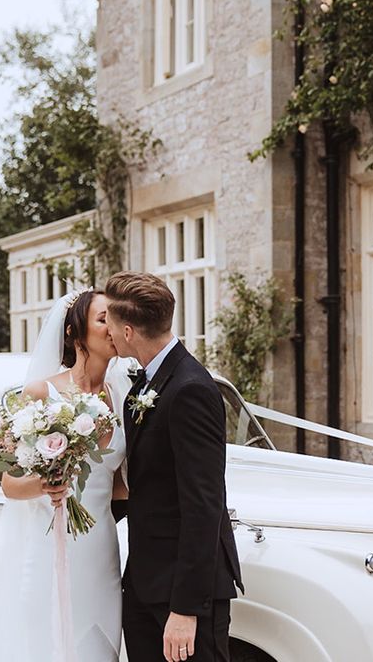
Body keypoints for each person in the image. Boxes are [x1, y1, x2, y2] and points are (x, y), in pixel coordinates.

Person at [0, 288, 130, 662]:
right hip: (52, 550)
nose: (112, 327)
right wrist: (45, 483)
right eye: (102, 319)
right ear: (74, 333)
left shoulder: (121, 394)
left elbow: (116, 485)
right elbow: (9, 485)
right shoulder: (40, 394)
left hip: (102, 555)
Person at [104, 271, 242, 662]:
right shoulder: (146, 384)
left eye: (110, 324)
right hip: (147, 583)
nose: (108, 332)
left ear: (128, 331)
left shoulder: (190, 388)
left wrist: (185, 610)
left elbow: (204, 505)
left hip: (182, 596)